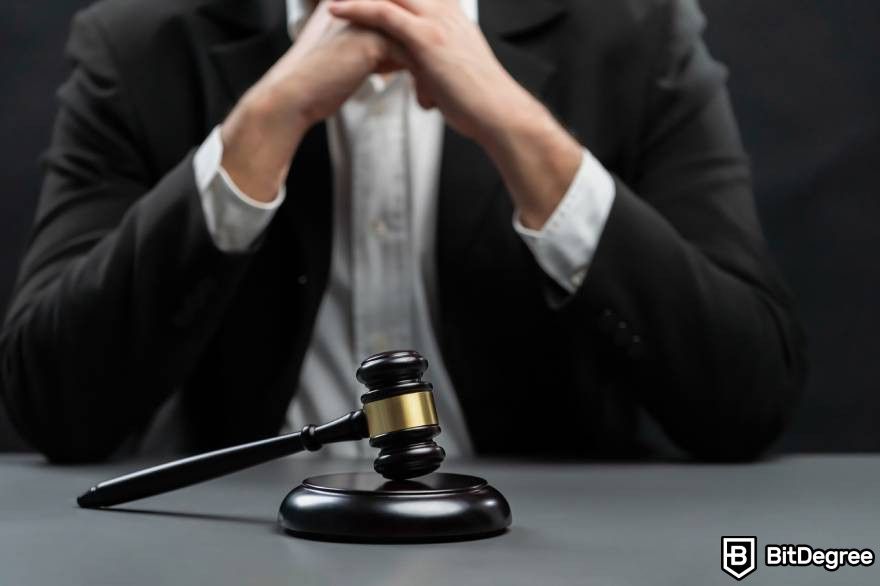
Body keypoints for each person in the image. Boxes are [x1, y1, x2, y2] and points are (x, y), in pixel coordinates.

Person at [0, 0, 806, 463]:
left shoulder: (635, 30)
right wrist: (267, 122)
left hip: (553, 557)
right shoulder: (141, 41)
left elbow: (747, 399)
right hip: (235, 548)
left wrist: (518, 130)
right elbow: (55, 407)